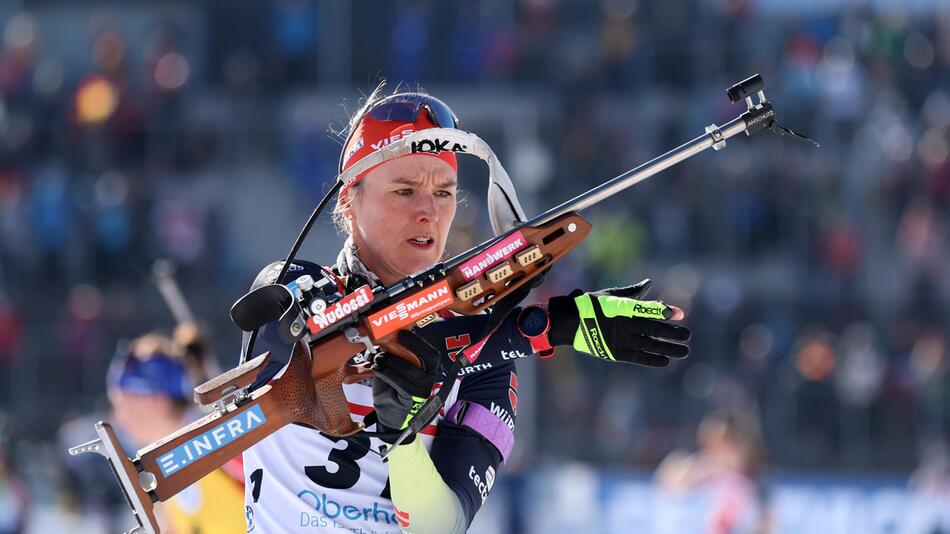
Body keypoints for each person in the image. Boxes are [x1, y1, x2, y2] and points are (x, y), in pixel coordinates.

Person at [241, 86, 692, 533]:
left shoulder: (488, 364)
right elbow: (340, 339)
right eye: (404, 190)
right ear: (349, 199)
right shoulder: (291, 285)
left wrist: (404, 440)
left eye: (444, 192)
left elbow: (443, 525)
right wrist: (547, 326)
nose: (428, 212)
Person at [107, 332, 246, 534]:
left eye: (122, 403)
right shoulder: (161, 465)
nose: (118, 417)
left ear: (153, 399)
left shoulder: (220, 439)